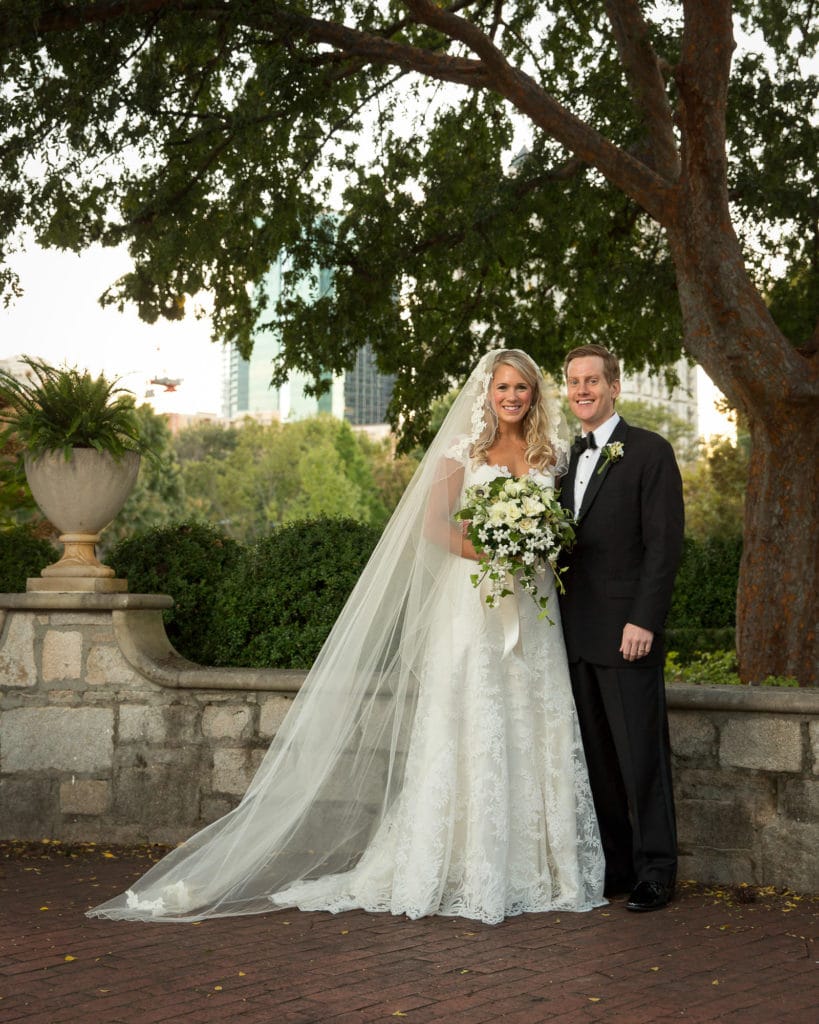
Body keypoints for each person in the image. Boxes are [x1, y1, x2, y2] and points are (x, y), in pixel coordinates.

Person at [87, 349, 605, 926]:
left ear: (535, 396)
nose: (511, 397)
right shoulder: (463, 453)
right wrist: (494, 550)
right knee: (473, 715)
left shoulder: (551, 456)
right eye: (502, 386)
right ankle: (466, 864)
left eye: (522, 388)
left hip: (533, 608)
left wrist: (530, 548)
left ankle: (538, 865)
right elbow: (435, 527)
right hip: (474, 603)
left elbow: (562, 526)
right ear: (486, 392)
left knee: (533, 716)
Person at [558, 344, 684, 912]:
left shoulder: (650, 452)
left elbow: (664, 546)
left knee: (641, 760)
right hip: (574, 633)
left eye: (592, 380)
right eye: (574, 381)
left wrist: (644, 620)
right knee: (599, 762)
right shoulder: (564, 459)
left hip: (627, 632)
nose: (582, 389)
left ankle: (657, 871)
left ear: (614, 385)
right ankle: (618, 867)